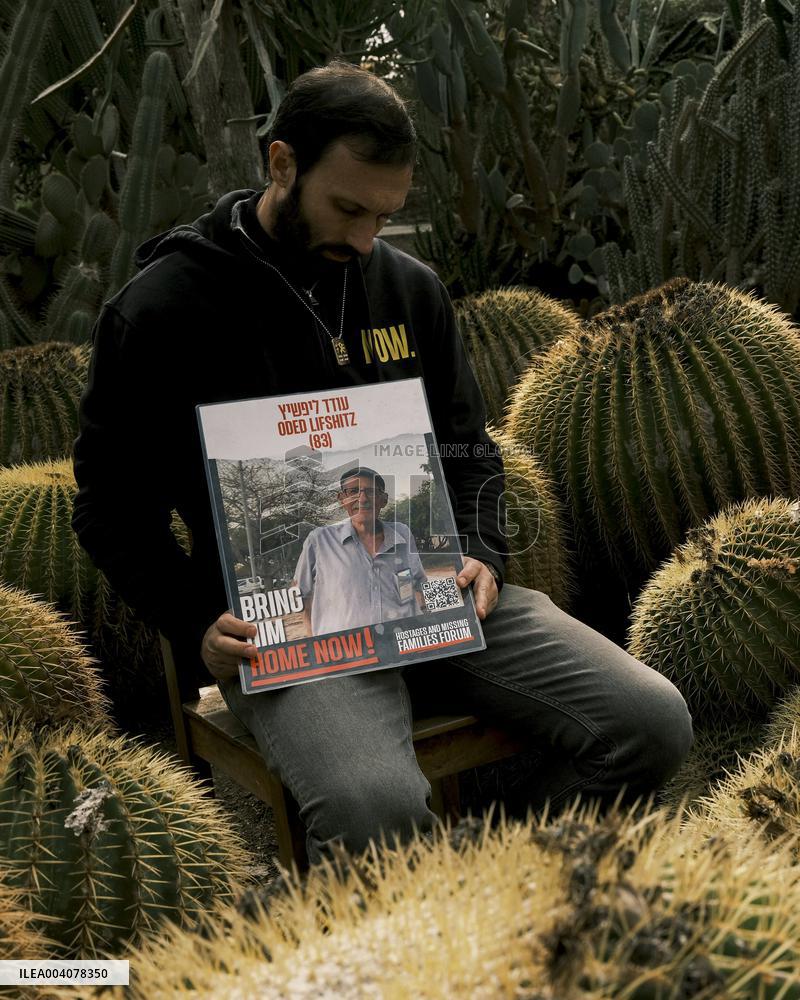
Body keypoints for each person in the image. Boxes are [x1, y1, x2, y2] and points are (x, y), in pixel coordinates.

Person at [72, 61, 693, 865]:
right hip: (288, 633)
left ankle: (507, 883)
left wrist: (483, 553)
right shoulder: (161, 312)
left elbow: (470, 449)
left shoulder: (410, 290)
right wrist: (195, 621)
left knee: (652, 720)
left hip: (434, 597)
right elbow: (108, 509)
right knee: (377, 809)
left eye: (387, 215)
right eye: (349, 208)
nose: (367, 239)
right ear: (282, 163)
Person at [293, 467, 427, 636]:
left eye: (371, 491)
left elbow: (415, 585)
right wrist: (314, 644)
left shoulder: (402, 535)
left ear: (383, 500)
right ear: (342, 499)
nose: (362, 499)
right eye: (353, 491)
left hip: (400, 646)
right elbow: (301, 597)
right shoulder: (319, 540)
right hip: (344, 653)